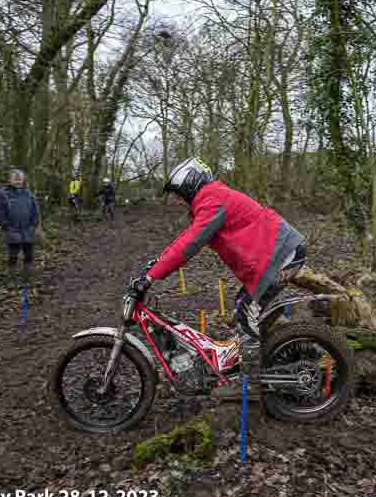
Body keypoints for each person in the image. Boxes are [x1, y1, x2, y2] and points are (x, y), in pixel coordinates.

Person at [131, 157, 307, 399]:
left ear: (189, 184)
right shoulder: (213, 198)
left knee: (247, 310)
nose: (178, 200)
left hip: (283, 254)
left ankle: (250, 384)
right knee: (245, 304)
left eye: (178, 194)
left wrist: (152, 277)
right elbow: (188, 237)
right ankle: (260, 355)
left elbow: (190, 243)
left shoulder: (213, 200)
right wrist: (157, 264)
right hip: (280, 252)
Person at [0, 168, 40, 285]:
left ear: (23, 180)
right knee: (13, 255)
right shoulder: (3, 193)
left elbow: (35, 211)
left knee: (29, 255)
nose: (18, 181)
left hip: (28, 229)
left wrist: (33, 225)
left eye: (20, 179)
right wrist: (6, 226)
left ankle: (27, 277)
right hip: (12, 230)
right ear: (10, 180)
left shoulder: (29, 193)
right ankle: (11, 279)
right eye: (15, 179)